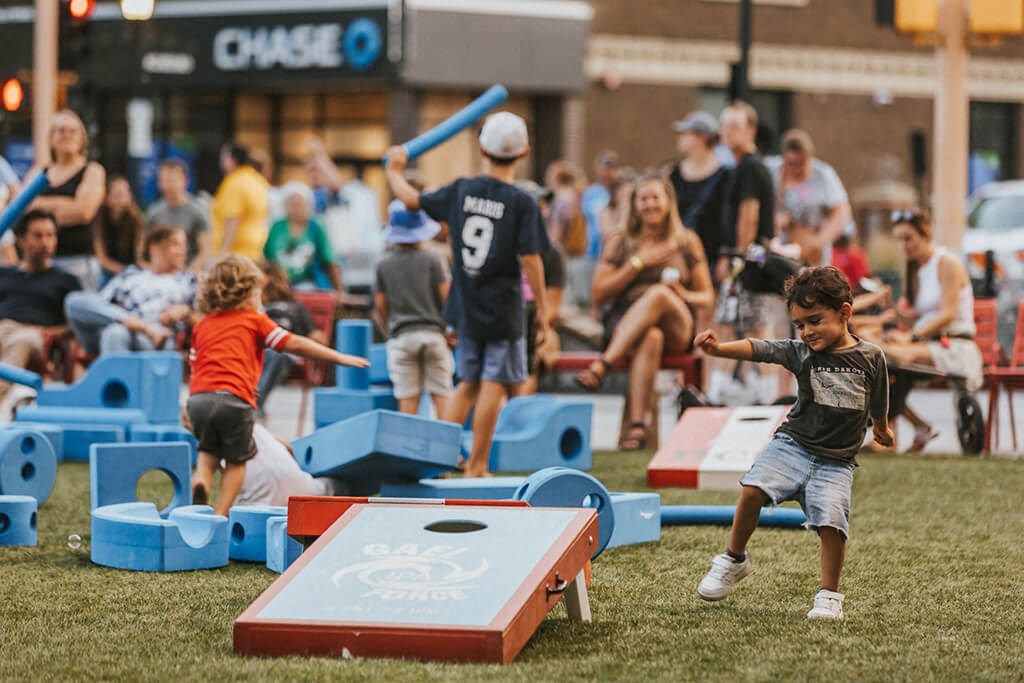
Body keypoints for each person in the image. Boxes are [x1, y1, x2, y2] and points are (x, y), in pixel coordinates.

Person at [694, 266, 894, 620]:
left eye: (815, 321)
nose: (807, 332)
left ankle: (829, 595)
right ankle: (733, 559)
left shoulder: (871, 357)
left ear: (844, 312)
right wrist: (719, 348)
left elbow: (878, 395)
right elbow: (762, 349)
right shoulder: (802, 353)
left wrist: (880, 426)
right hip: (793, 444)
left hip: (837, 461)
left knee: (833, 524)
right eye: (800, 324)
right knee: (752, 489)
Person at [384, 111, 551, 477]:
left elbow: (412, 200)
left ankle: (438, 460)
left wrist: (394, 171)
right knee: (496, 382)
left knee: (467, 382)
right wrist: (543, 309)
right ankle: (476, 464)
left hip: (466, 304)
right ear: (524, 152)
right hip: (502, 306)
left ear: (481, 149)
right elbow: (532, 259)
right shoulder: (521, 202)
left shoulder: (461, 190)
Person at [188, 255, 368, 516]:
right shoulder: (253, 320)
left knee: (208, 452)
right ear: (250, 293)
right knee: (238, 462)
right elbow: (293, 343)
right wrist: (337, 356)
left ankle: (201, 479)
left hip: (199, 399)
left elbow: (199, 365)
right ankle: (220, 514)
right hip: (234, 400)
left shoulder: (203, 324)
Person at [575, 175, 714, 449]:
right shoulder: (621, 241)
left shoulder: (686, 241)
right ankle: (638, 428)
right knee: (651, 337)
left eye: (655, 198)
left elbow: (707, 296)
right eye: (644, 199)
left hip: (677, 323)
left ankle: (603, 364)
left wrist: (682, 294)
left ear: (668, 202)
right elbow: (599, 292)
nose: (650, 204)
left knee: (660, 294)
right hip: (627, 327)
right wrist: (638, 264)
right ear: (634, 204)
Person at [880, 208, 983, 452]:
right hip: (927, 342)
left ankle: (900, 431)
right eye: (900, 240)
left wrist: (911, 337)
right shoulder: (916, 269)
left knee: (889, 354)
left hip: (954, 344)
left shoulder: (947, 262)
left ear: (925, 234)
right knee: (881, 359)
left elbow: (947, 313)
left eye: (908, 238)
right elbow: (917, 315)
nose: (904, 246)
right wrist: (891, 307)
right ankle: (914, 427)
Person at [711, 100, 780, 405]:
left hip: (749, 262)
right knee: (743, 323)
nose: (728, 132)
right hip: (754, 259)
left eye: (735, 126)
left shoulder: (750, 167)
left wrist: (736, 258)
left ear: (750, 130)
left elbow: (749, 215)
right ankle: (730, 388)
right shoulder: (746, 167)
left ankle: (729, 393)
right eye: (724, 126)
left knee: (744, 325)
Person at [374, 200, 453, 416]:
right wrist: (450, 330)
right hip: (433, 334)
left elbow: (380, 305)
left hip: (401, 337)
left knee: (408, 398)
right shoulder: (434, 259)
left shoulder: (384, 264)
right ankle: (449, 448)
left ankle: (406, 448)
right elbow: (447, 298)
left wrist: (389, 329)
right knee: (442, 395)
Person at [64, 226, 195, 355]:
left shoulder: (188, 280)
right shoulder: (131, 274)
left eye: (184, 246)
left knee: (116, 333)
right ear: (155, 248)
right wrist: (124, 318)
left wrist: (186, 311)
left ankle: (142, 330)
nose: (182, 251)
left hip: (158, 340)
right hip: (120, 327)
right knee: (73, 300)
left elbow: (205, 321)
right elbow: (99, 305)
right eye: (175, 244)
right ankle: (145, 327)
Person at [0, 209, 81, 412]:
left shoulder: (66, 281)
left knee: (22, 340)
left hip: (39, 337)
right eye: (38, 235)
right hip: (4, 329)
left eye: (50, 235)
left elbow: (77, 325)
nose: (45, 242)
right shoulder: (4, 274)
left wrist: (51, 333)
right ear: (21, 239)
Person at [27, 109, 105, 291]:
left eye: (73, 131)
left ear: (82, 139)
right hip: (42, 264)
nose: (67, 135)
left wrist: (42, 206)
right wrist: (68, 203)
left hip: (78, 263)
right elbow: (24, 209)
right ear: (52, 138)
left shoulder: (92, 170)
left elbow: (84, 212)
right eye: (61, 130)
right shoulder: (40, 172)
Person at [766, 129, 853, 268]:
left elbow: (841, 212)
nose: (796, 169)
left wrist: (818, 241)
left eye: (801, 163)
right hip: (776, 253)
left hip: (810, 256)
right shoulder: (770, 170)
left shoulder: (823, 175)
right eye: (791, 163)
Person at [668, 111, 730, 287]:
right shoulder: (674, 174)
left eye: (685, 133)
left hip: (710, 257)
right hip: (679, 255)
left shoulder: (725, 176)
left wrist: (725, 255)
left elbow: (727, 220)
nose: (679, 138)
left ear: (701, 137)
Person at [516, 180, 566, 393]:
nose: (543, 211)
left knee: (538, 349)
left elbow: (552, 306)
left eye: (545, 205)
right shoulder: (499, 244)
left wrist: (541, 324)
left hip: (533, 323)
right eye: (537, 205)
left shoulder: (552, 253)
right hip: (501, 321)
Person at [255, 262, 315, 419]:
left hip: (286, 351)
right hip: (256, 351)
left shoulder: (293, 306)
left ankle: (254, 405)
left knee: (276, 353)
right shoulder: (251, 306)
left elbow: (313, 333)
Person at [263, 181, 342, 291]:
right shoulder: (277, 226)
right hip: (279, 285)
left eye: (300, 203)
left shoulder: (316, 226)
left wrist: (339, 290)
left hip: (309, 285)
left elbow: (329, 260)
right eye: (293, 203)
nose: (297, 208)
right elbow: (267, 256)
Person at [145, 158, 210, 272]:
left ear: (185, 181)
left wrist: (189, 273)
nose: (169, 184)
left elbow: (205, 251)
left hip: (189, 274)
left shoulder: (198, 212)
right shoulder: (154, 213)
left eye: (173, 180)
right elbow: (144, 249)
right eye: (164, 180)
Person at [210, 142, 268, 260]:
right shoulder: (257, 180)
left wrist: (222, 252)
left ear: (231, 159)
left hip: (236, 253)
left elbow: (232, 218)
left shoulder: (234, 182)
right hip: (256, 250)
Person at [580, 151, 622, 293]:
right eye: (604, 168)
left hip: (614, 251)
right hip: (592, 250)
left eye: (611, 168)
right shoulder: (591, 192)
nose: (607, 173)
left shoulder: (621, 191)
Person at [93, 175, 143, 284]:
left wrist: (131, 272)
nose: (123, 199)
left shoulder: (135, 220)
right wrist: (121, 271)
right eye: (118, 195)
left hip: (132, 269)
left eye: (126, 194)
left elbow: (140, 255)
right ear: (107, 198)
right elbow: (101, 258)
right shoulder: (99, 220)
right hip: (109, 270)